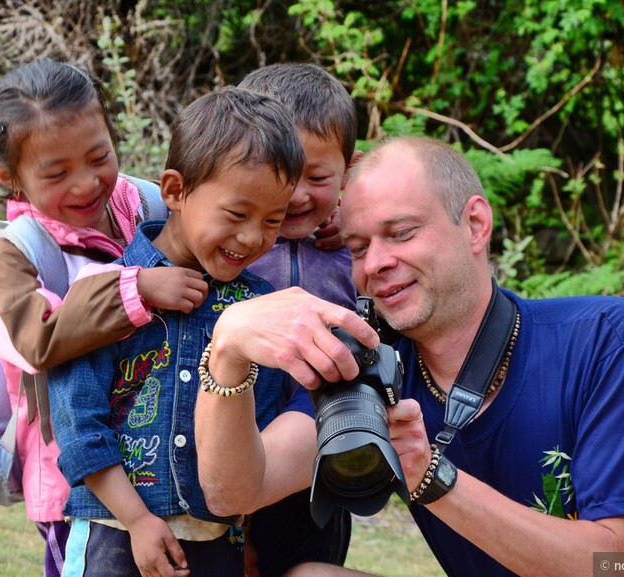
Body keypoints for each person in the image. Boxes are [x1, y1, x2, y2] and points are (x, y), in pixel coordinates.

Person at [194, 136, 624, 577]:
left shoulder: (608, 339)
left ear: (474, 225)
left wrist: (434, 477)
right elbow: (234, 492)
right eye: (357, 248)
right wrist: (228, 350)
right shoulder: (380, 365)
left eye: (400, 233)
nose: (376, 263)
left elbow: (619, 564)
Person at [46, 86, 309, 577]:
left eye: (273, 220)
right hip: (114, 531)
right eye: (236, 214)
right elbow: (77, 422)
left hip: (217, 543)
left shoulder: (259, 310)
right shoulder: (105, 294)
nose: (253, 237)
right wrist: (138, 519)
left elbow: (261, 434)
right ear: (174, 191)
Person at [0, 59, 208, 577]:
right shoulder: (17, 254)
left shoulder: (146, 203)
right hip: (76, 480)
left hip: (164, 455)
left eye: (99, 157)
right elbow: (38, 339)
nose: (85, 184)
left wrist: (317, 222)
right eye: (56, 173)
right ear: (8, 176)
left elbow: (223, 223)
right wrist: (137, 287)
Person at [239, 62, 362, 576]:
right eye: (281, 175)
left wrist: (352, 214)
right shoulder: (229, 246)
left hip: (318, 471)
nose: (296, 194)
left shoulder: (354, 251)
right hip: (233, 444)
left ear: (346, 175)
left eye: (316, 177)